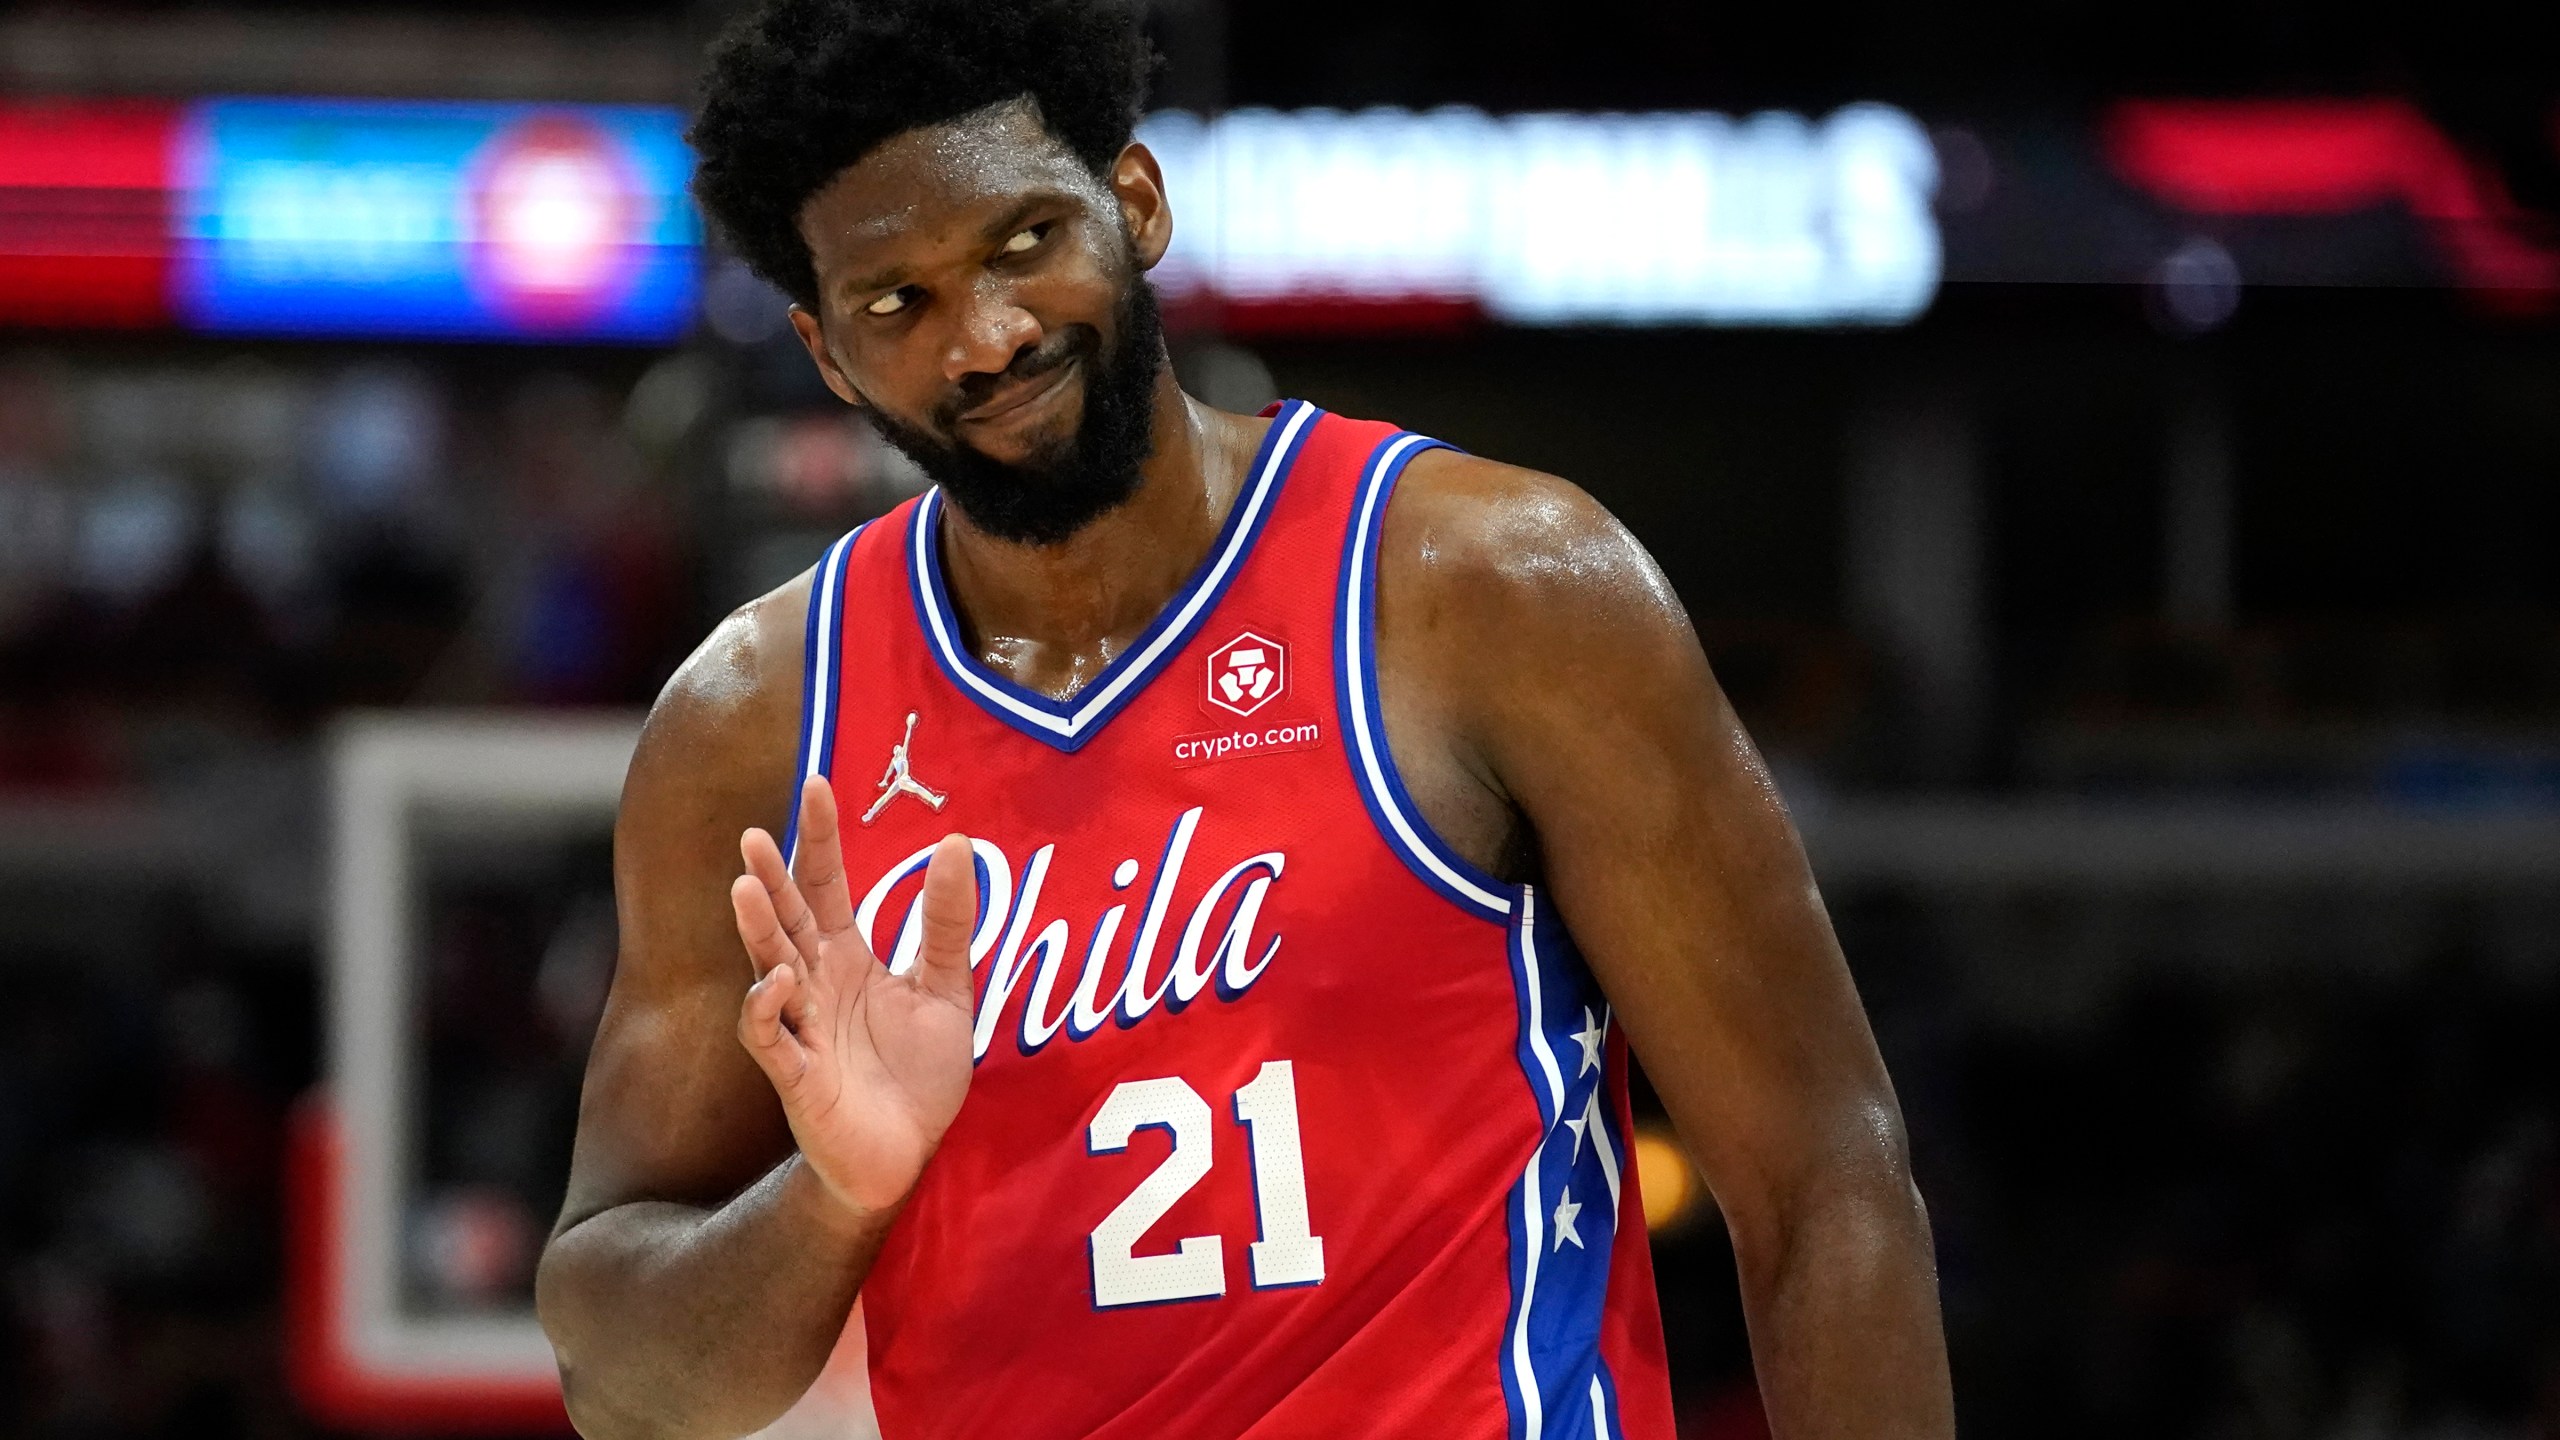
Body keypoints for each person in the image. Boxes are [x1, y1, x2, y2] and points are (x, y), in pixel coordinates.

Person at [534, 1, 1955, 1436]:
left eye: (1024, 241)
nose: (988, 335)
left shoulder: (1494, 589)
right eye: (897, 303)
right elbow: (621, 1382)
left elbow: (1823, 1178)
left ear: (1134, 204)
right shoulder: (753, 726)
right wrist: (833, 1193)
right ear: (827, 354)